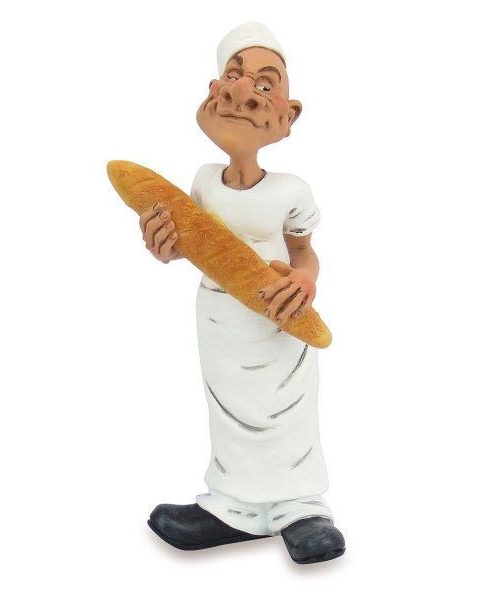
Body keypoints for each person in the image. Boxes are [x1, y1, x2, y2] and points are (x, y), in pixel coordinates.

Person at [140, 22, 345, 564]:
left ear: (288, 115)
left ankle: (300, 508)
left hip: (279, 321)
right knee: (229, 412)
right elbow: (191, 244)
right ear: (212, 93)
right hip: (219, 321)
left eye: (264, 83)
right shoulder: (204, 181)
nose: (243, 93)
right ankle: (234, 507)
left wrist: (305, 280)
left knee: (287, 413)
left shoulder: (291, 190)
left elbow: (304, 253)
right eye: (233, 76)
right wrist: (163, 245)